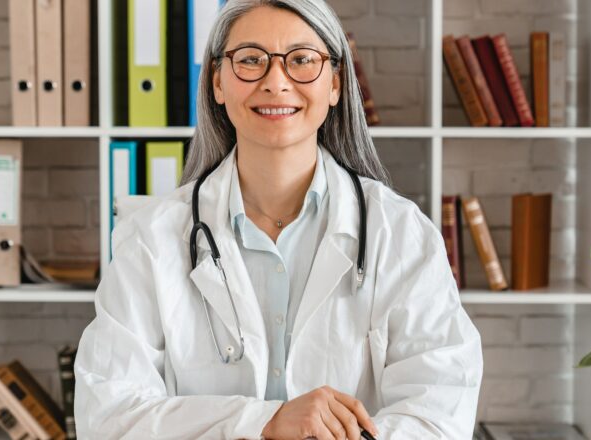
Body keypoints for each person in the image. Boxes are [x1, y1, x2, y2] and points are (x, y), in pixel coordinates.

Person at [74, 0, 483, 438]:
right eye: (250, 60)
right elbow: (108, 417)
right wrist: (264, 422)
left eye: (302, 60)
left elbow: (439, 413)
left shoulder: (399, 233)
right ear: (217, 82)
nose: (275, 82)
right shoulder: (151, 239)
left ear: (335, 85)